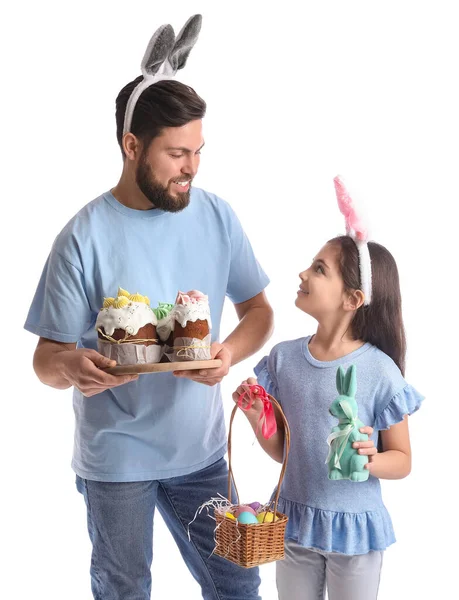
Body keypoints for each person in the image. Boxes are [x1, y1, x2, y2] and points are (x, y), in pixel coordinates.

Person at [24, 15, 272, 600]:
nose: (191, 168)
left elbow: (259, 309)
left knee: (238, 583)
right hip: (116, 461)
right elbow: (45, 359)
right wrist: (70, 369)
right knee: (124, 588)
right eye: (176, 153)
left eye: (199, 151)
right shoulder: (82, 237)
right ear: (132, 146)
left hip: (201, 451)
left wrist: (228, 352)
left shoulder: (217, 215)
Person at [232, 176, 424, 600]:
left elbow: (403, 460)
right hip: (295, 521)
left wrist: (372, 459)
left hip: (355, 530)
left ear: (353, 299)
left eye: (320, 269)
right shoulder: (283, 359)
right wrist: (254, 416)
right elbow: (285, 450)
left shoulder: (380, 370)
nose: (303, 272)